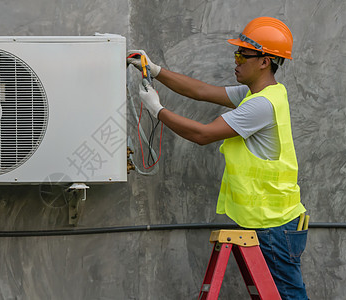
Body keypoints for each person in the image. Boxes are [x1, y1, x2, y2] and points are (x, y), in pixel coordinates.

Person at [127, 17, 308, 299]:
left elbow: (203, 135)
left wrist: (157, 111)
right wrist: (156, 71)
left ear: (265, 61)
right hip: (274, 221)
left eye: (242, 55)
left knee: (288, 296)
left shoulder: (260, 105)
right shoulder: (262, 93)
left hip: (274, 225)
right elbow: (200, 91)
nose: (235, 61)